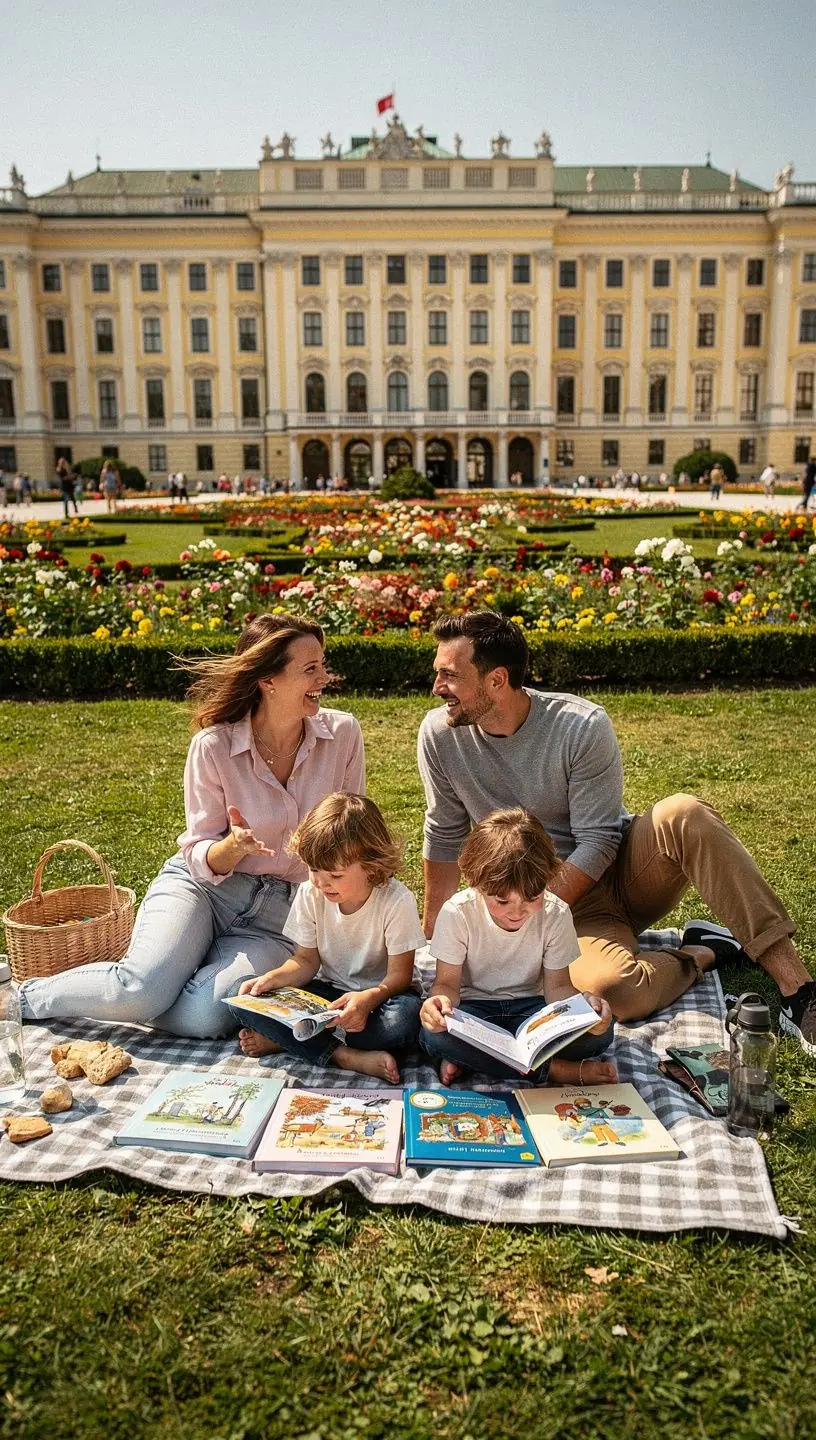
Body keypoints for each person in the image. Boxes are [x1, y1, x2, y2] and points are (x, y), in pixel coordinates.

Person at [417, 612, 816, 1049]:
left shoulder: (579, 726)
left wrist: (531, 905)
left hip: (622, 874)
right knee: (613, 992)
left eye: (449, 675)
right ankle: (703, 952)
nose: (437, 687)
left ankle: (799, 990)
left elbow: (600, 840)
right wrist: (435, 939)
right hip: (563, 910)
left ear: (496, 679)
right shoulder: (440, 735)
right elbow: (444, 833)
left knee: (684, 813)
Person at [10, 614, 365, 1039]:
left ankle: (146, 994)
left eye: (323, 665)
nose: (324, 678)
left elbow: (351, 830)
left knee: (206, 1017)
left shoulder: (343, 734)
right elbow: (199, 850)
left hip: (282, 916)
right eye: (310, 669)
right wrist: (233, 847)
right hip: (204, 890)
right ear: (267, 680)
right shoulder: (213, 746)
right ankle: (22, 999)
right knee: (139, 989)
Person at [230, 792, 424, 1083]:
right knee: (241, 994)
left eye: (335, 875)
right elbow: (305, 960)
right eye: (313, 869)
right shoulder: (311, 893)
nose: (321, 882)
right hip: (329, 994)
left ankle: (294, 1039)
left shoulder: (396, 901)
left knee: (403, 1023)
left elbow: (400, 976)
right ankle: (343, 1055)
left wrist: (367, 1000)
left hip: (382, 998)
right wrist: (273, 979)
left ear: (371, 865)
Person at [420, 808, 616, 1086]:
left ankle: (475, 1061)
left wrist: (585, 1009)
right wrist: (438, 1005)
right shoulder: (458, 913)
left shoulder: (555, 912)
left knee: (601, 1034)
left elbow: (558, 988)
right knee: (433, 1035)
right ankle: (554, 1070)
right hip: (475, 1011)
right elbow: (447, 985)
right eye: (502, 902)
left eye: (532, 898)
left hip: (534, 1011)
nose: (517, 912)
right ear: (477, 884)